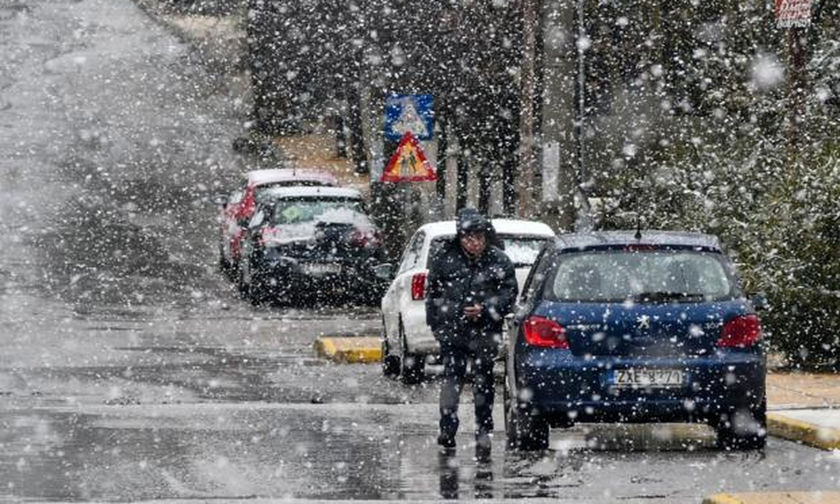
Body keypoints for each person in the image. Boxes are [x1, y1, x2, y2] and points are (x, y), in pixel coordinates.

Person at [425, 208, 519, 459]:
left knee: (483, 382)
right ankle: (447, 430)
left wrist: (486, 310)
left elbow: (509, 294)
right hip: (453, 332)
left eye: (477, 237)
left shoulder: (499, 260)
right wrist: (441, 322)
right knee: (452, 381)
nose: (473, 243)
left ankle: (484, 431)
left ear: (485, 237)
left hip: (485, 332)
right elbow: (433, 296)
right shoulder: (445, 259)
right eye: (467, 238)